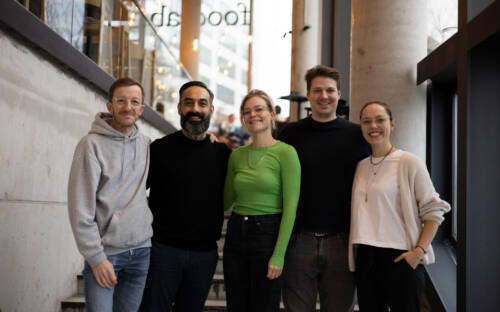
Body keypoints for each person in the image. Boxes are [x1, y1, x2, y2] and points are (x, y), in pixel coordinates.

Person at [279, 65, 370, 312]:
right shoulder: (290, 134)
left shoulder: (358, 136)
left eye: (330, 90)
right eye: (317, 90)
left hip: (343, 241)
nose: (324, 96)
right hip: (298, 241)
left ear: (339, 94)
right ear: (308, 94)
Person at [349, 101, 450, 311]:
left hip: (401, 256)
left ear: (392, 124)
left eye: (380, 120)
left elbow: (434, 210)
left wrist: (419, 251)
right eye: (367, 121)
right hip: (366, 257)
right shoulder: (361, 166)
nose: (373, 126)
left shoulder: (408, 162)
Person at [142, 81, 231, 312]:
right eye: (188, 102)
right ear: (179, 108)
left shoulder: (223, 155)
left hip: (205, 255)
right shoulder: (159, 149)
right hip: (162, 251)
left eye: (202, 103)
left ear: (211, 111)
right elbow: (135, 192)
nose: (195, 109)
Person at [68, 77, 153, 312]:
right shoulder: (90, 145)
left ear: (142, 109)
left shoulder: (146, 145)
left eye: (135, 101)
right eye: (121, 100)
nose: (128, 107)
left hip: (141, 253)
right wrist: (96, 257)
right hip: (106, 255)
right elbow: (80, 208)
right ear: (110, 106)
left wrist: (208, 138)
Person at [223, 89, 301, 312]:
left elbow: (291, 209)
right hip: (237, 231)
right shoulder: (237, 155)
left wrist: (278, 255)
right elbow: (226, 201)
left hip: (268, 233)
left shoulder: (286, 153)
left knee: (264, 305)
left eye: (259, 109)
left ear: (271, 114)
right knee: (236, 304)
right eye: (247, 111)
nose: (253, 115)